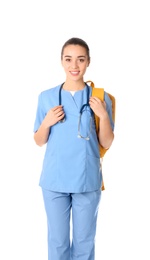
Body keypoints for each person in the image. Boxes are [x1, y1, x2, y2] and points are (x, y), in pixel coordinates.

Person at [33, 37, 114, 260]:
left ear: (88, 62)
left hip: (86, 178)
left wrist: (103, 115)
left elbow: (106, 142)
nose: (74, 66)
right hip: (54, 179)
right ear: (61, 61)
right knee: (57, 243)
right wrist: (47, 122)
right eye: (69, 59)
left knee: (84, 243)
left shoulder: (100, 97)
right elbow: (39, 141)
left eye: (80, 59)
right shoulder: (46, 97)